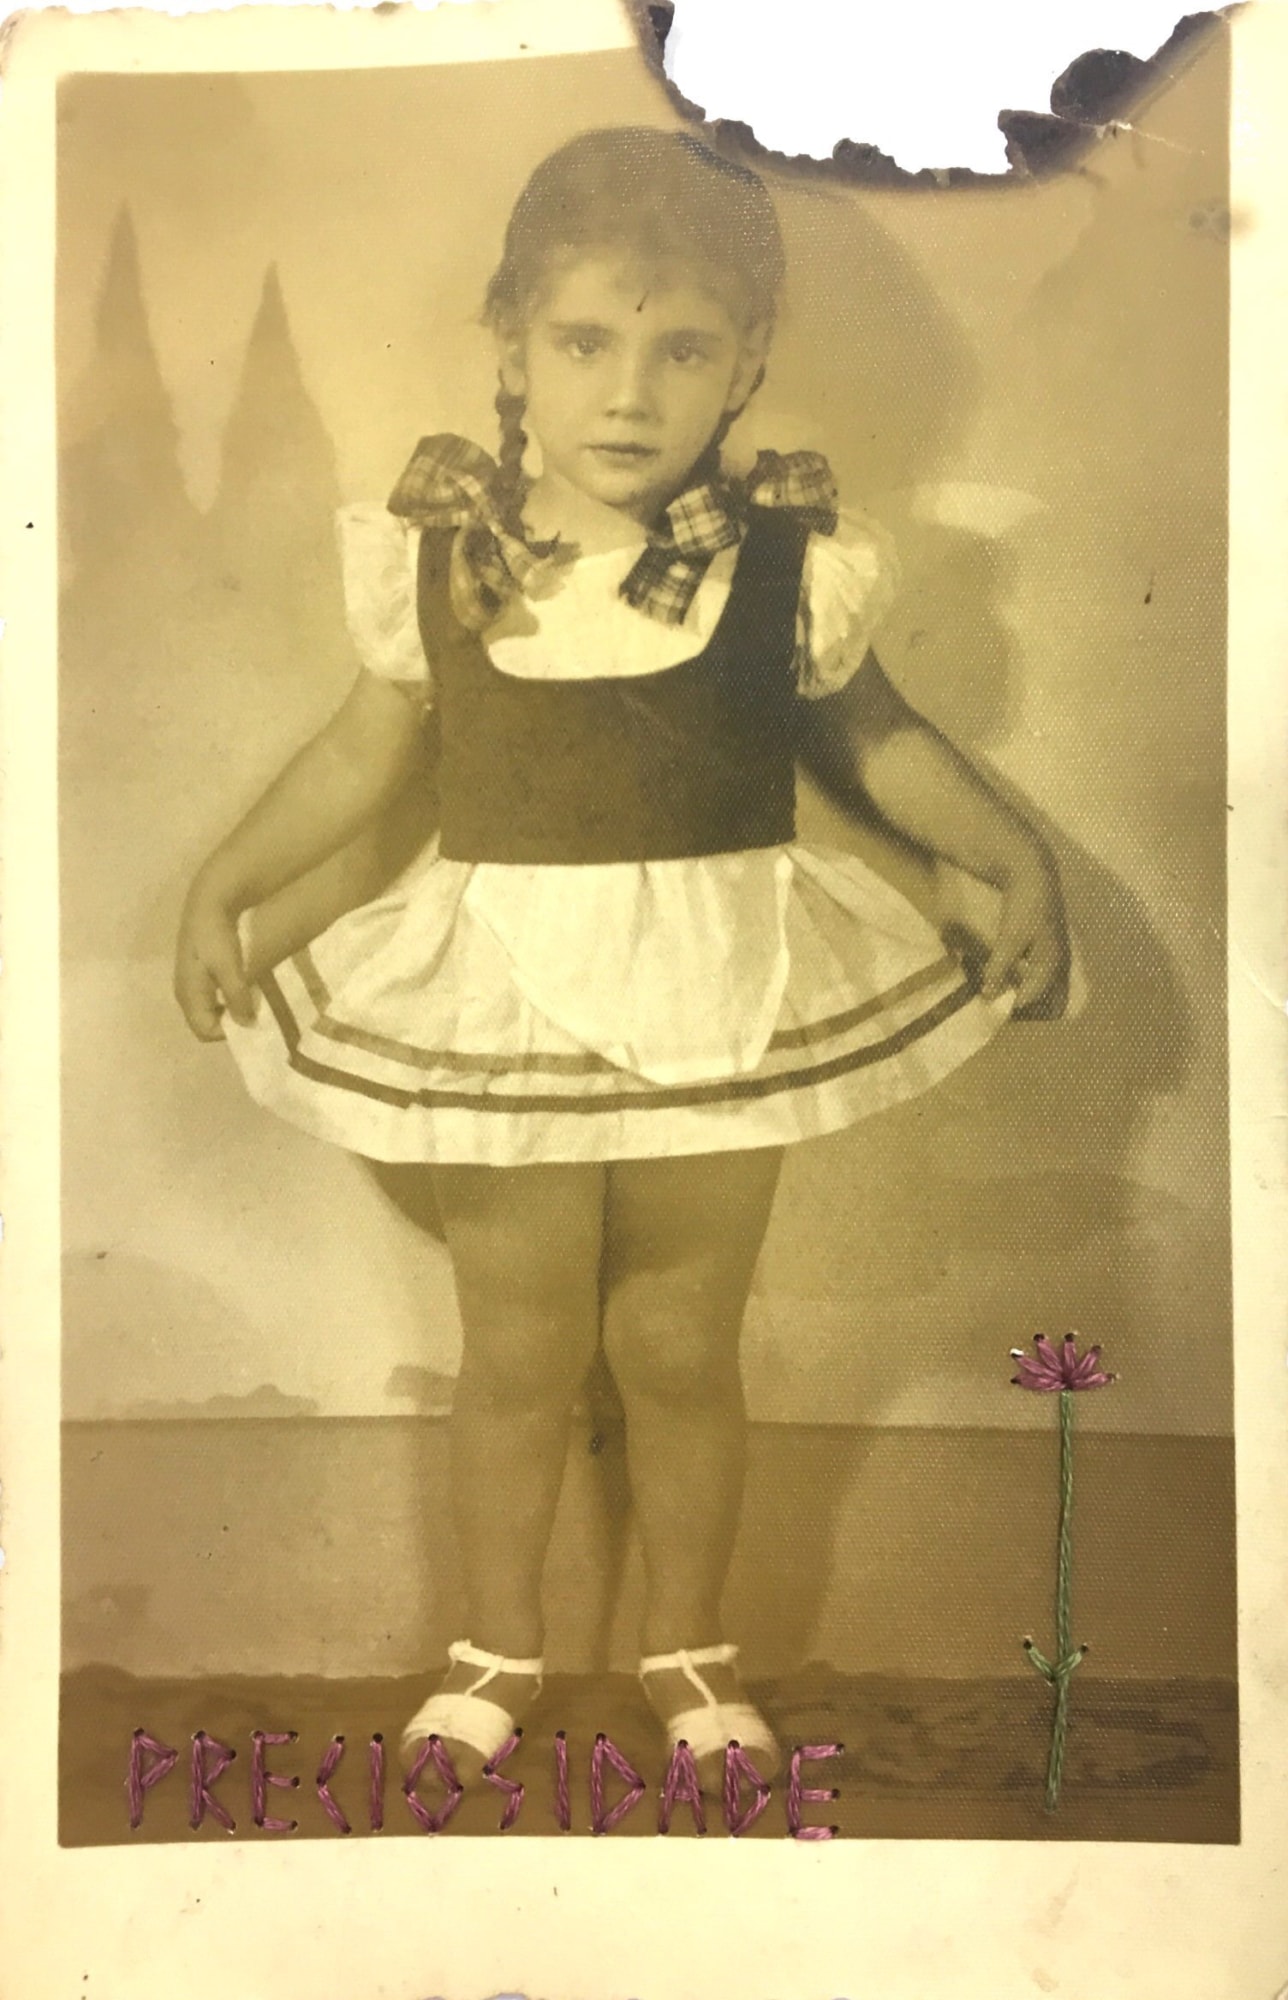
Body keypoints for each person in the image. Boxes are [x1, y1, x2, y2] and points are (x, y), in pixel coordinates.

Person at [173, 126, 1071, 1789]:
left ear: (747, 364)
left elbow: (880, 742)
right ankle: (494, 1645)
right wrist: (228, 880)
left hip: (722, 981)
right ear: (513, 344)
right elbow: (363, 754)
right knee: (519, 1349)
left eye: (684, 350)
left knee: (677, 1345)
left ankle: (688, 1645)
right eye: (586, 342)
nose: (631, 394)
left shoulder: (788, 560)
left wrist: (1010, 850)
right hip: (506, 981)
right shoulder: (448, 553)